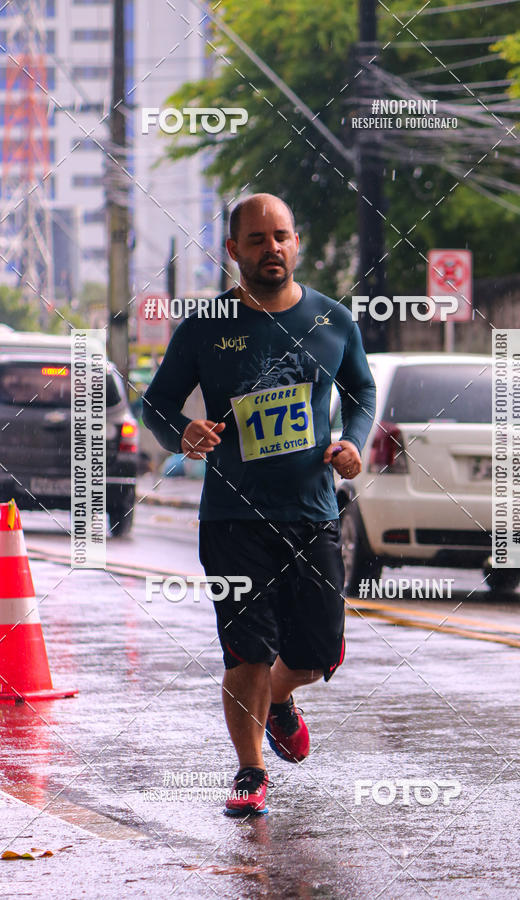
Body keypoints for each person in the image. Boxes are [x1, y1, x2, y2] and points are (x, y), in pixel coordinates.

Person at [143, 193, 376, 815]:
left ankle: (278, 701)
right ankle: (249, 772)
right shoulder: (204, 326)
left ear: (295, 243)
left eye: (281, 236)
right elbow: (158, 405)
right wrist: (182, 433)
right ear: (233, 251)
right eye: (256, 239)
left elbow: (361, 388)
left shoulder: (332, 321)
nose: (271, 248)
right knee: (246, 650)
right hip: (233, 517)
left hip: (312, 510)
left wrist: (353, 443)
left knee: (320, 653)